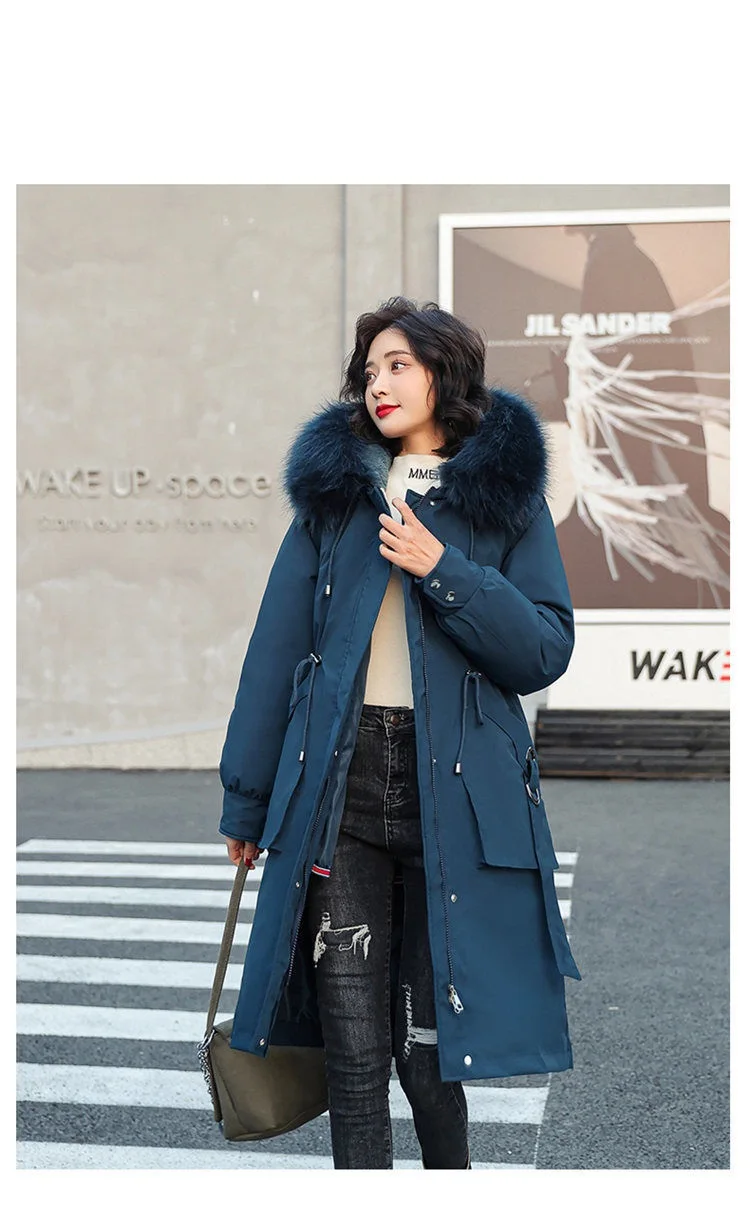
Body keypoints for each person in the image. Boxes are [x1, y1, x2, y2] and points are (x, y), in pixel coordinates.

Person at [218, 296, 581, 1170]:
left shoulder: (503, 500)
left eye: (399, 365)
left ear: (443, 376)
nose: (378, 383)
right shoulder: (337, 498)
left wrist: (444, 569)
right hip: (339, 792)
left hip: (453, 794)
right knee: (352, 1060)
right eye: (370, 369)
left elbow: (543, 650)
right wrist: (248, 800)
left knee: (427, 1060)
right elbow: (276, 652)